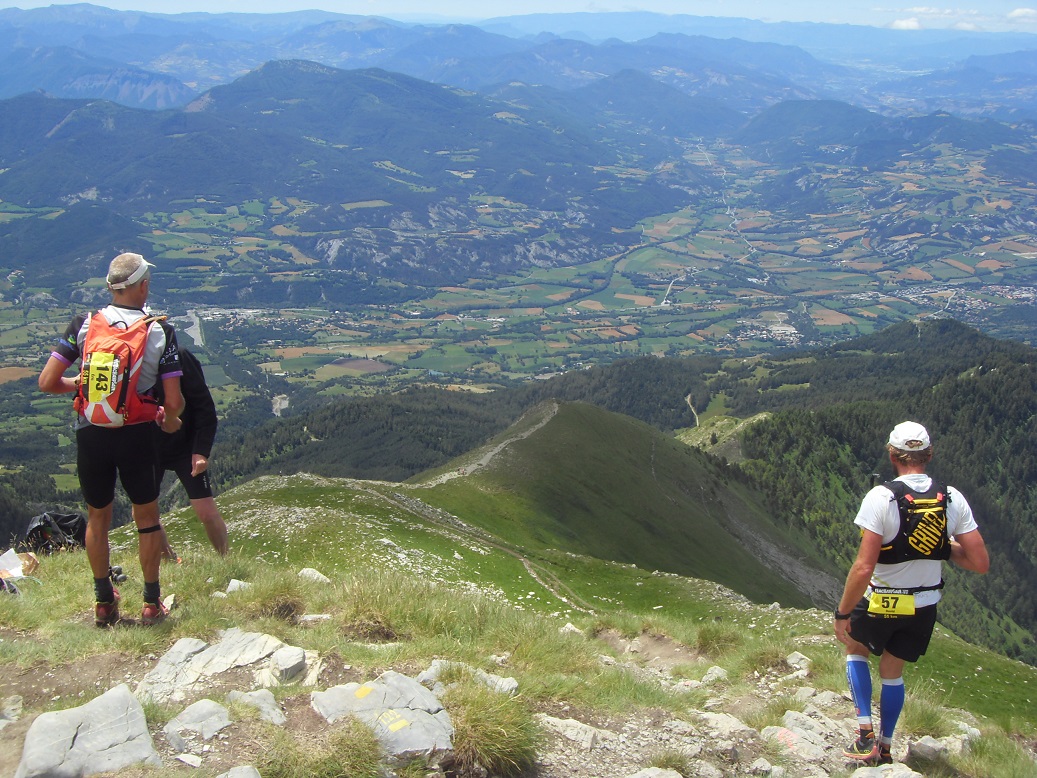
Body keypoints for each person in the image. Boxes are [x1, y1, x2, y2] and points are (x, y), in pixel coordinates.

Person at [38, 252, 184, 627]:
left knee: (97, 518)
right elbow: (173, 400)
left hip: (92, 434)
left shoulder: (85, 324)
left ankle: (104, 601)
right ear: (143, 285)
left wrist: (83, 384)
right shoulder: (159, 331)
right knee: (147, 518)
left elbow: (47, 382)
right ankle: (151, 603)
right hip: (137, 435)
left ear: (110, 287)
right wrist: (171, 420)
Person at [833, 421, 989, 765]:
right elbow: (979, 562)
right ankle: (886, 747)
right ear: (928, 455)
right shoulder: (951, 498)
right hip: (924, 604)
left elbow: (863, 567)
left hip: (884, 598)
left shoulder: (881, 497)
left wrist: (843, 613)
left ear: (892, 454)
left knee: (856, 649)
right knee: (893, 670)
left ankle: (864, 736)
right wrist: (941, 547)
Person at [157, 348, 229, 556]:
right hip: (148, 447)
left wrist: (200, 450)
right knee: (144, 514)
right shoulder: (132, 357)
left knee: (206, 511)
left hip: (185, 446)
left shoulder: (179, 356)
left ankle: (227, 561)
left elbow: (203, 406)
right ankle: (169, 561)